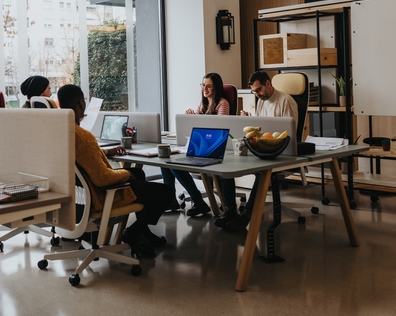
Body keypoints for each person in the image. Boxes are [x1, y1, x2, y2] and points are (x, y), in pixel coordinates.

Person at [57, 84, 173, 258]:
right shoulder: (83, 136)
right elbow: (103, 178)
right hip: (100, 195)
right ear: (81, 103)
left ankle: (144, 233)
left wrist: (105, 152)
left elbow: (81, 156)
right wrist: (127, 174)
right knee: (166, 192)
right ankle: (133, 232)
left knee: (139, 174)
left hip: (78, 196)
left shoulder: (62, 131)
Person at [222, 71, 299, 233]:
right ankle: (229, 211)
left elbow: (288, 135)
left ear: (268, 84)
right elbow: (262, 128)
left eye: (258, 90)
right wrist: (249, 119)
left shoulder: (286, 101)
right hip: (263, 150)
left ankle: (247, 215)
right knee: (225, 165)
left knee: (262, 172)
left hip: (281, 152)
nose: (256, 94)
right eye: (254, 92)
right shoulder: (262, 101)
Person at [161, 73, 238, 218]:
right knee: (167, 161)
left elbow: (218, 127)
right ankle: (171, 200)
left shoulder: (223, 103)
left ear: (216, 88)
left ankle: (197, 200)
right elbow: (195, 126)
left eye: (209, 86)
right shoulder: (202, 104)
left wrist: (197, 118)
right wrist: (189, 117)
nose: (205, 89)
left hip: (213, 146)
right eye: (203, 85)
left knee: (174, 164)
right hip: (200, 145)